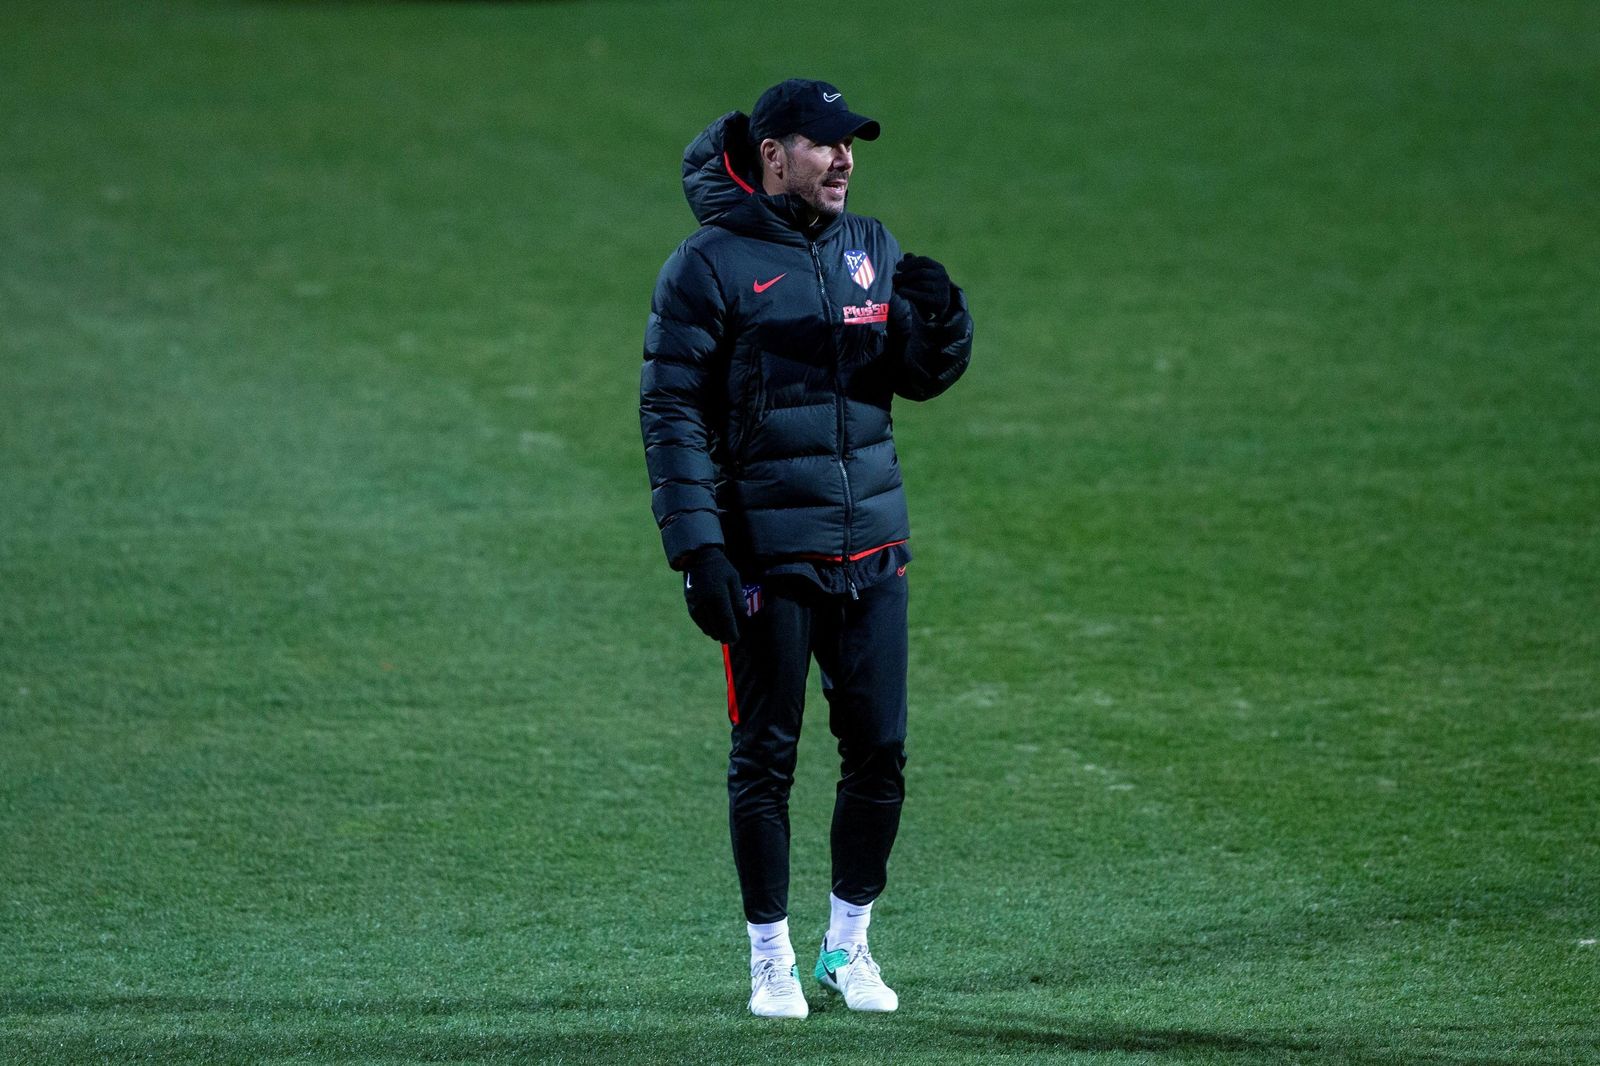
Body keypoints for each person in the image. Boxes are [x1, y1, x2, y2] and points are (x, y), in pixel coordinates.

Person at [639, 78, 973, 1019]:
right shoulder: (707, 265)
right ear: (773, 153)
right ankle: (768, 959)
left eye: (852, 144)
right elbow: (669, 411)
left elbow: (911, 375)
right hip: (765, 556)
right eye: (825, 145)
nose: (845, 159)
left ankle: (846, 949)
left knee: (880, 754)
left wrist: (943, 324)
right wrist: (697, 547)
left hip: (872, 547)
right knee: (767, 758)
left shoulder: (870, 246)